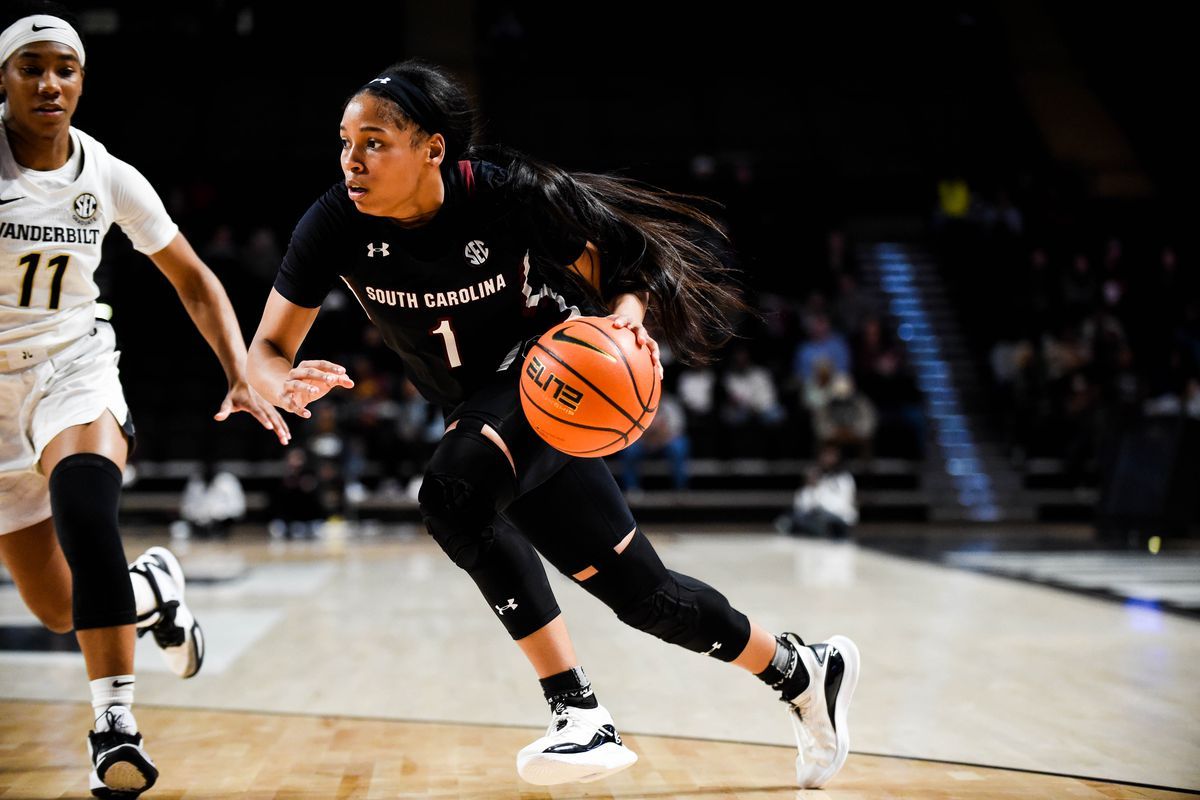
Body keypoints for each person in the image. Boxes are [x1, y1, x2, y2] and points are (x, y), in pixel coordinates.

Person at [247, 59, 860, 789]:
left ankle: (578, 713)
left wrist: (627, 327)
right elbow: (267, 349)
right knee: (650, 600)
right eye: (345, 141)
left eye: (375, 141)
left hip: (554, 377)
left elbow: (628, 265)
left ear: (434, 149)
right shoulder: (333, 224)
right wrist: (277, 380)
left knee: (451, 495)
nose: (352, 158)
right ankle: (800, 671)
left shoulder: (505, 197)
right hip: (484, 414)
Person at [0, 5, 286, 797]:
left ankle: (113, 724)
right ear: (4, 79)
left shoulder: (107, 175)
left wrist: (238, 368)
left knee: (89, 514)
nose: (49, 82)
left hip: (73, 369)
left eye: (65, 68)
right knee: (59, 609)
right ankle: (156, 589)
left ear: (82, 80)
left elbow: (194, 279)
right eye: (32, 68)